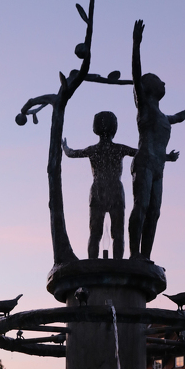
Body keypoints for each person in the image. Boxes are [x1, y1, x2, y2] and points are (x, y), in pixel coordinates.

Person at [128, 19, 185, 260]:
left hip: (158, 166)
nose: (164, 83)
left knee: (155, 212)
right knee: (141, 207)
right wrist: (136, 44)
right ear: (149, 88)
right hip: (144, 163)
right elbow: (135, 73)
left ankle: (145, 257)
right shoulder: (144, 108)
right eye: (160, 80)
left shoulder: (162, 116)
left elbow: (178, 118)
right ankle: (134, 255)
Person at [62, 111, 137, 259]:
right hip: (115, 190)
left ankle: (93, 262)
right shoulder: (119, 148)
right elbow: (142, 153)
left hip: (98, 190)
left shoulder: (93, 150)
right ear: (114, 128)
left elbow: (72, 153)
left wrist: (65, 147)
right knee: (118, 234)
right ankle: (117, 263)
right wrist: (166, 156)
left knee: (95, 233)